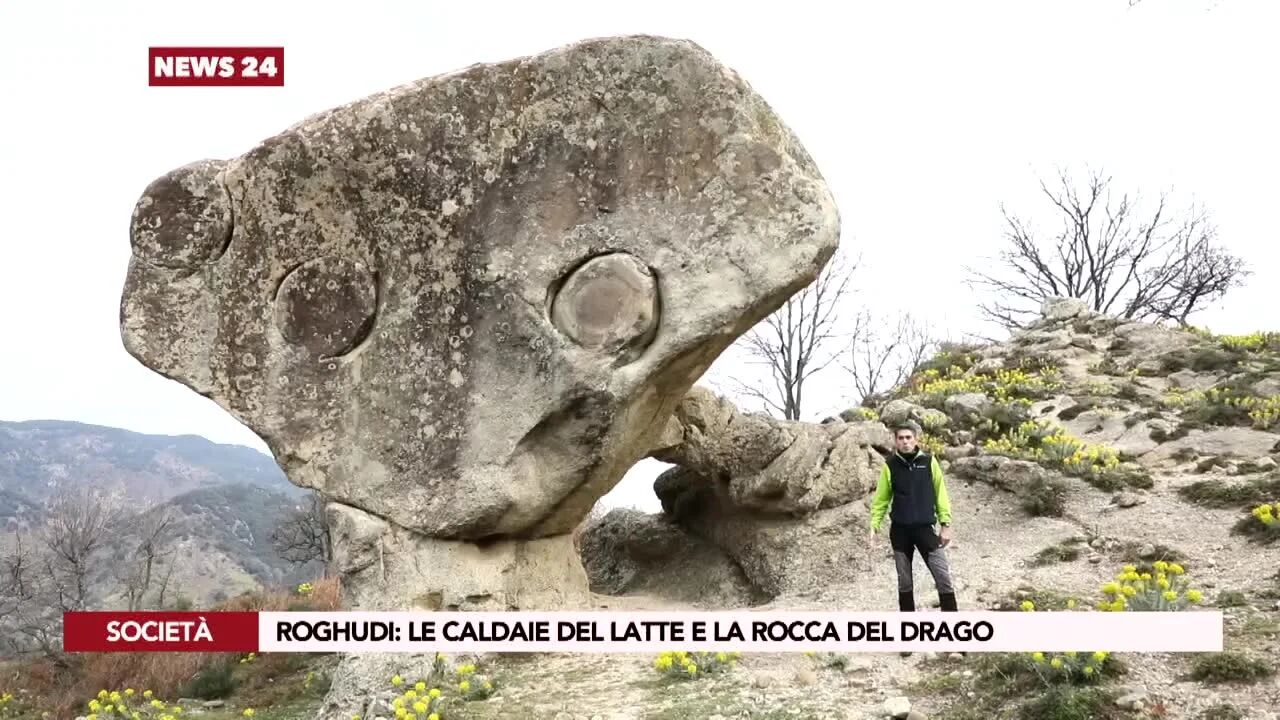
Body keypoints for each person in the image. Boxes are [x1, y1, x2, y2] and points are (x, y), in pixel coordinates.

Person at [867, 419, 958, 616]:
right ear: (895, 441)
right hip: (900, 533)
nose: (905, 442)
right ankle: (907, 635)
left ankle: (954, 632)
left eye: (909, 438)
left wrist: (946, 524)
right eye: (901, 438)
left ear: (916, 440)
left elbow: (940, 493)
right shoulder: (889, 466)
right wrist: (874, 526)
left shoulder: (929, 462)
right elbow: (881, 500)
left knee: (943, 577)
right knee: (905, 582)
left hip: (925, 530)